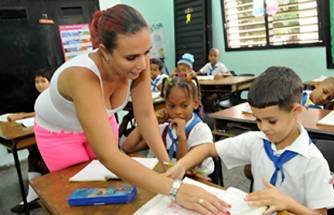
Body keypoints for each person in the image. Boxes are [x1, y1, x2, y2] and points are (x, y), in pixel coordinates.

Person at [33, 5, 228, 214]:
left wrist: (166, 165)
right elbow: (108, 154)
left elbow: (145, 115)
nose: (142, 64)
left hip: (101, 121)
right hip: (59, 134)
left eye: (146, 52)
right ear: (105, 51)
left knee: (113, 188)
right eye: (131, 57)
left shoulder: (138, 65)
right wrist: (175, 190)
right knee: (80, 196)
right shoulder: (83, 77)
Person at [166, 66, 334, 215]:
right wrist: (182, 165)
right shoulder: (257, 141)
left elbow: (320, 213)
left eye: (271, 121)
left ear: (296, 111)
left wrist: (287, 203)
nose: (263, 127)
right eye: (258, 119)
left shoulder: (314, 162)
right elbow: (207, 149)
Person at [121, 76, 214, 176]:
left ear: (195, 103)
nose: (178, 112)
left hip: (193, 182)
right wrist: (148, 122)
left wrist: (182, 137)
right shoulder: (164, 129)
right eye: (172, 106)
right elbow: (128, 147)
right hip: (165, 178)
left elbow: (186, 169)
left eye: (184, 105)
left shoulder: (201, 131)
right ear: (165, 105)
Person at [10, 69, 51, 213]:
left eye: (43, 81)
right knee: (33, 154)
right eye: (37, 82)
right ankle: (33, 196)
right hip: (46, 133)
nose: (39, 85)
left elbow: (42, 112)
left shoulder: (53, 96)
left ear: (50, 82)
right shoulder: (40, 97)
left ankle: (35, 196)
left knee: (36, 155)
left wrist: (21, 116)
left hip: (59, 139)